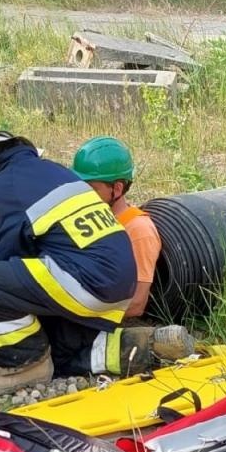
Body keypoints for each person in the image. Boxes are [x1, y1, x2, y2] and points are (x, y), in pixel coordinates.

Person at [0, 127, 185, 394]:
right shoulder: (52, 172)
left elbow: (1, 265)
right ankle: (138, 345)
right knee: (54, 347)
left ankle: (24, 365)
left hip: (83, 280)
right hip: (115, 288)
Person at [71, 136, 163, 318]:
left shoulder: (139, 230)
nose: (82, 195)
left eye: (91, 189)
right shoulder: (86, 217)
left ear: (118, 188)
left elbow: (136, 304)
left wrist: (77, 316)